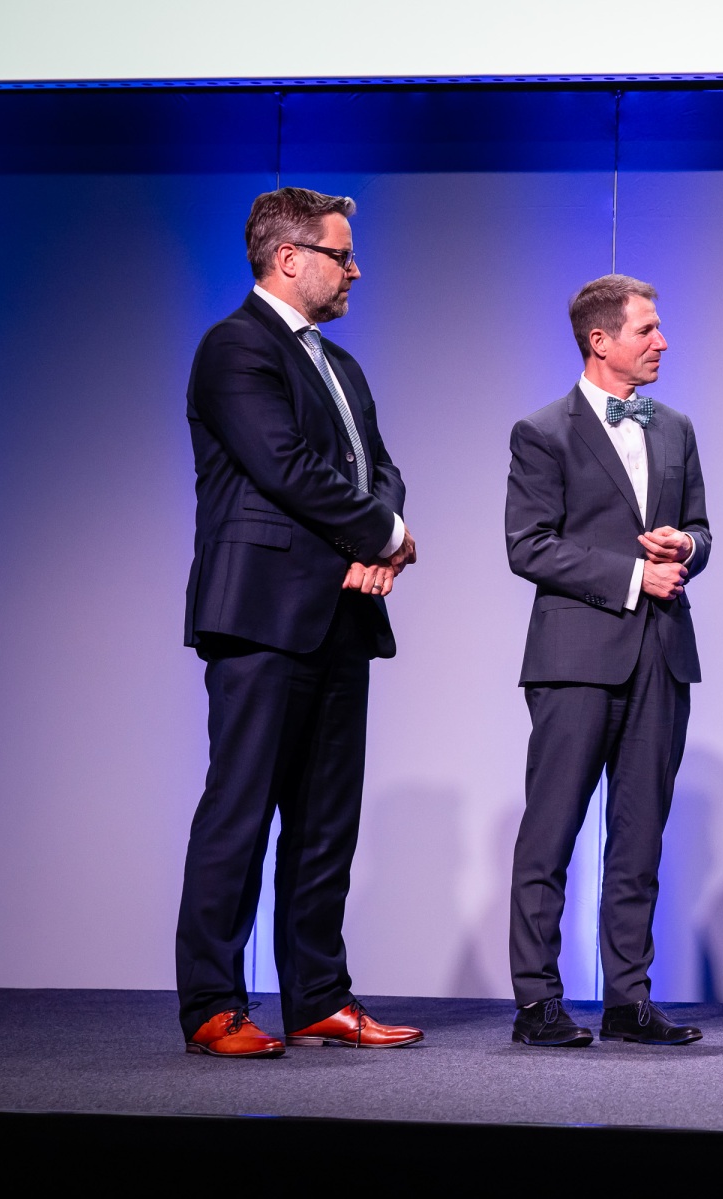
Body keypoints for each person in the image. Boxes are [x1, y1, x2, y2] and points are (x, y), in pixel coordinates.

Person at [177, 187, 422, 1057]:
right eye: (341, 255)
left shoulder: (340, 364)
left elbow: (378, 469)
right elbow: (284, 466)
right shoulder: (234, 347)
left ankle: (317, 996)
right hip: (261, 615)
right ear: (289, 259)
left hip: (342, 611)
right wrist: (383, 534)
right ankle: (212, 1005)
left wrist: (381, 539)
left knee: (325, 824)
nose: (355, 270)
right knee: (240, 814)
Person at [504, 275, 710, 1049]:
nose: (663, 341)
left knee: (639, 838)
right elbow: (528, 546)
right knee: (551, 833)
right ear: (600, 340)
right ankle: (537, 1002)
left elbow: (702, 530)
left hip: (661, 655)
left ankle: (628, 1000)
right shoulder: (542, 432)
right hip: (576, 658)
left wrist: (685, 546)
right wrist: (632, 576)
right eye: (647, 329)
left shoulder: (674, 427)